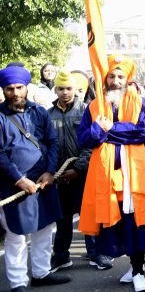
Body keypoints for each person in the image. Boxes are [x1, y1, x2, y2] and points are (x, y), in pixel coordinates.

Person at [77, 56, 145, 292]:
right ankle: (132, 267)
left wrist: (109, 129)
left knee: (135, 221)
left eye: (120, 76)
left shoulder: (139, 101)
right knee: (117, 223)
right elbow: (84, 139)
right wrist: (98, 129)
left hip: (133, 175)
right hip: (105, 177)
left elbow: (143, 133)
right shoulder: (94, 106)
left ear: (127, 79)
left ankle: (139, 270)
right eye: (111, 76)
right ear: (105, 78)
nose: (115, 80)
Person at [0, 65, 69, 292]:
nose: (15, 93)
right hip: (13, 186)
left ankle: (41, 272)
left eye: (19, 87)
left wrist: (49, 172)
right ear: (4, 90)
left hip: (43, 183)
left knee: (45, 228)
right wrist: (19, 179)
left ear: (26, 87)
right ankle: (18, 283)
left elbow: (52, 142)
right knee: (16, 235)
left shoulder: (39, 112)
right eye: (9, 89)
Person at [48, 72, 112, 272]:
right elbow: (48, 145)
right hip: (60, 176)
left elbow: (92, 143)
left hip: (84, 173)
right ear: (55, 90)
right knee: (63, 219)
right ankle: (61, 257)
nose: (65, 92)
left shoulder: (86, 110)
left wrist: (78, 168)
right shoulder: (48, 114)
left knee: (89, 215)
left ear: (76, 90)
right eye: (61, 89)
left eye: (68, 88)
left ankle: (96, 254)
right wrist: (53, 172)